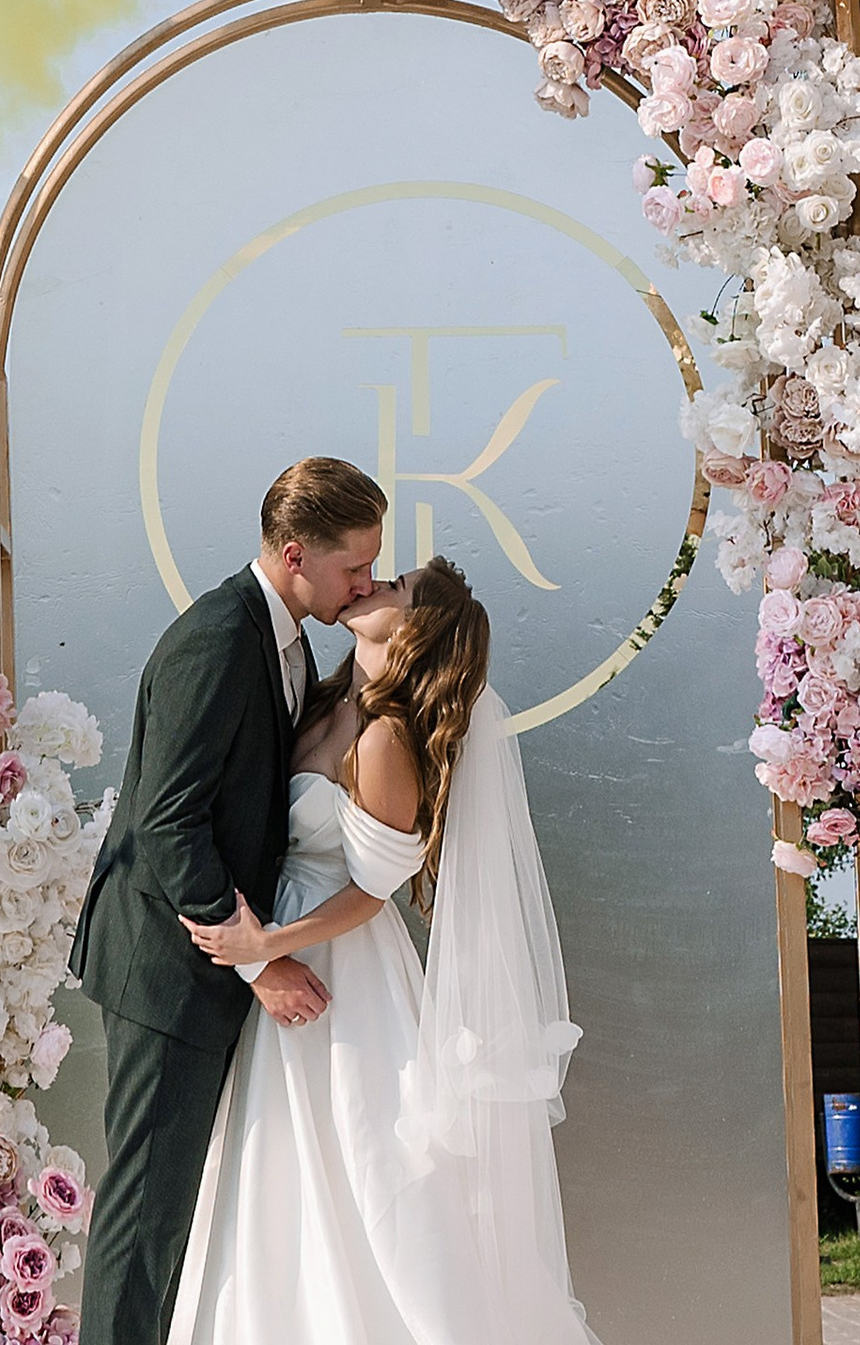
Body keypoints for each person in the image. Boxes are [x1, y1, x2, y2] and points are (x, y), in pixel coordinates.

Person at [164, 557, 600, 1345]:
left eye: (393, 588)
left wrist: (269, 944)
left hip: (341, 968)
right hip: (284, 958)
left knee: (365, 1160)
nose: (370, 586)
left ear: (416, 628)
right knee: (280, 1168)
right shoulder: (326, 698)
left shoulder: (387, 736)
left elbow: (371, 894)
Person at [71, 456, 388, 1345]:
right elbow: (170, 824)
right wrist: (260, 963)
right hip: (168, 971)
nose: (363, 583)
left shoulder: (283, 636)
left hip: (198, 963)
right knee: (143, 1223)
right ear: (296, 554)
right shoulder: (218, 636)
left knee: (176, 1220)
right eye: (352, 566)